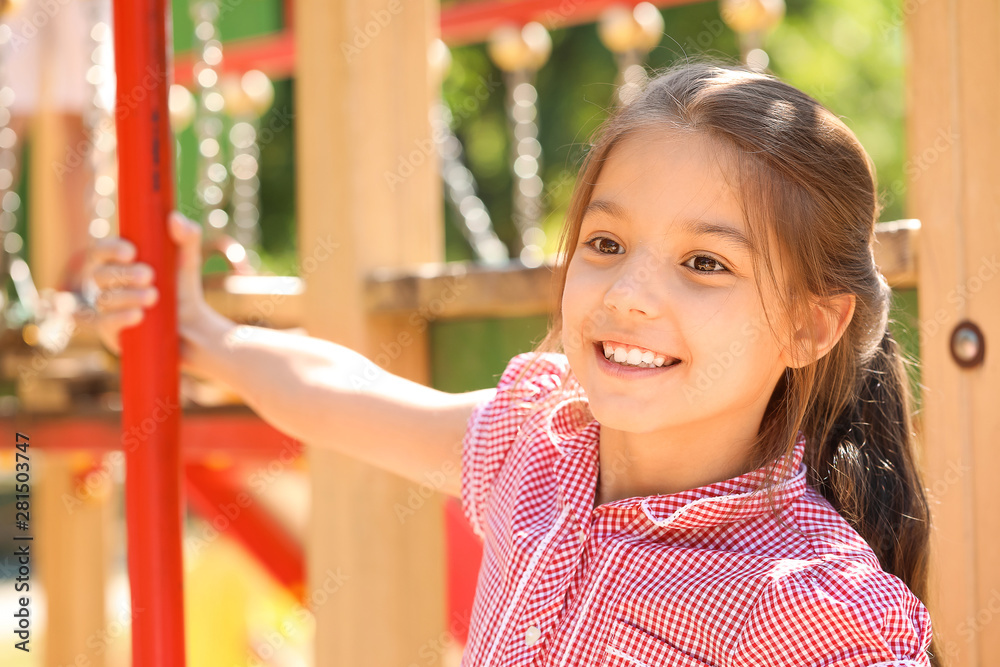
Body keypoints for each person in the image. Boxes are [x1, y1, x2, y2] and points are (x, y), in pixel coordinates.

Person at [88, 60, 938, 666]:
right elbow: (348, 394)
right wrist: (198, 333)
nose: (630, 293)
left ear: (812, 325)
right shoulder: (541, 452)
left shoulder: (804, 602)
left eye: (705, 263)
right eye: (606, 243)